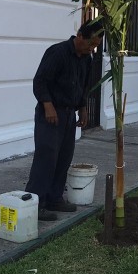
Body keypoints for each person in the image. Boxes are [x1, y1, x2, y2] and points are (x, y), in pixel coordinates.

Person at [25, 19, 104, 221]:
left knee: (63, 158)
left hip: (69, 114)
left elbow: (84, 85)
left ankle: (54, 198)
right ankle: (37, 203)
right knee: (46, 158)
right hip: (50, 114)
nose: (92, 49)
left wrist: (83, 108)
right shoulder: (57, 52)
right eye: (90, 44)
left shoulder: (86, 59)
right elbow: (40, 81)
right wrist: (48, 105)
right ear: (79, 37)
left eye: (96, 46)